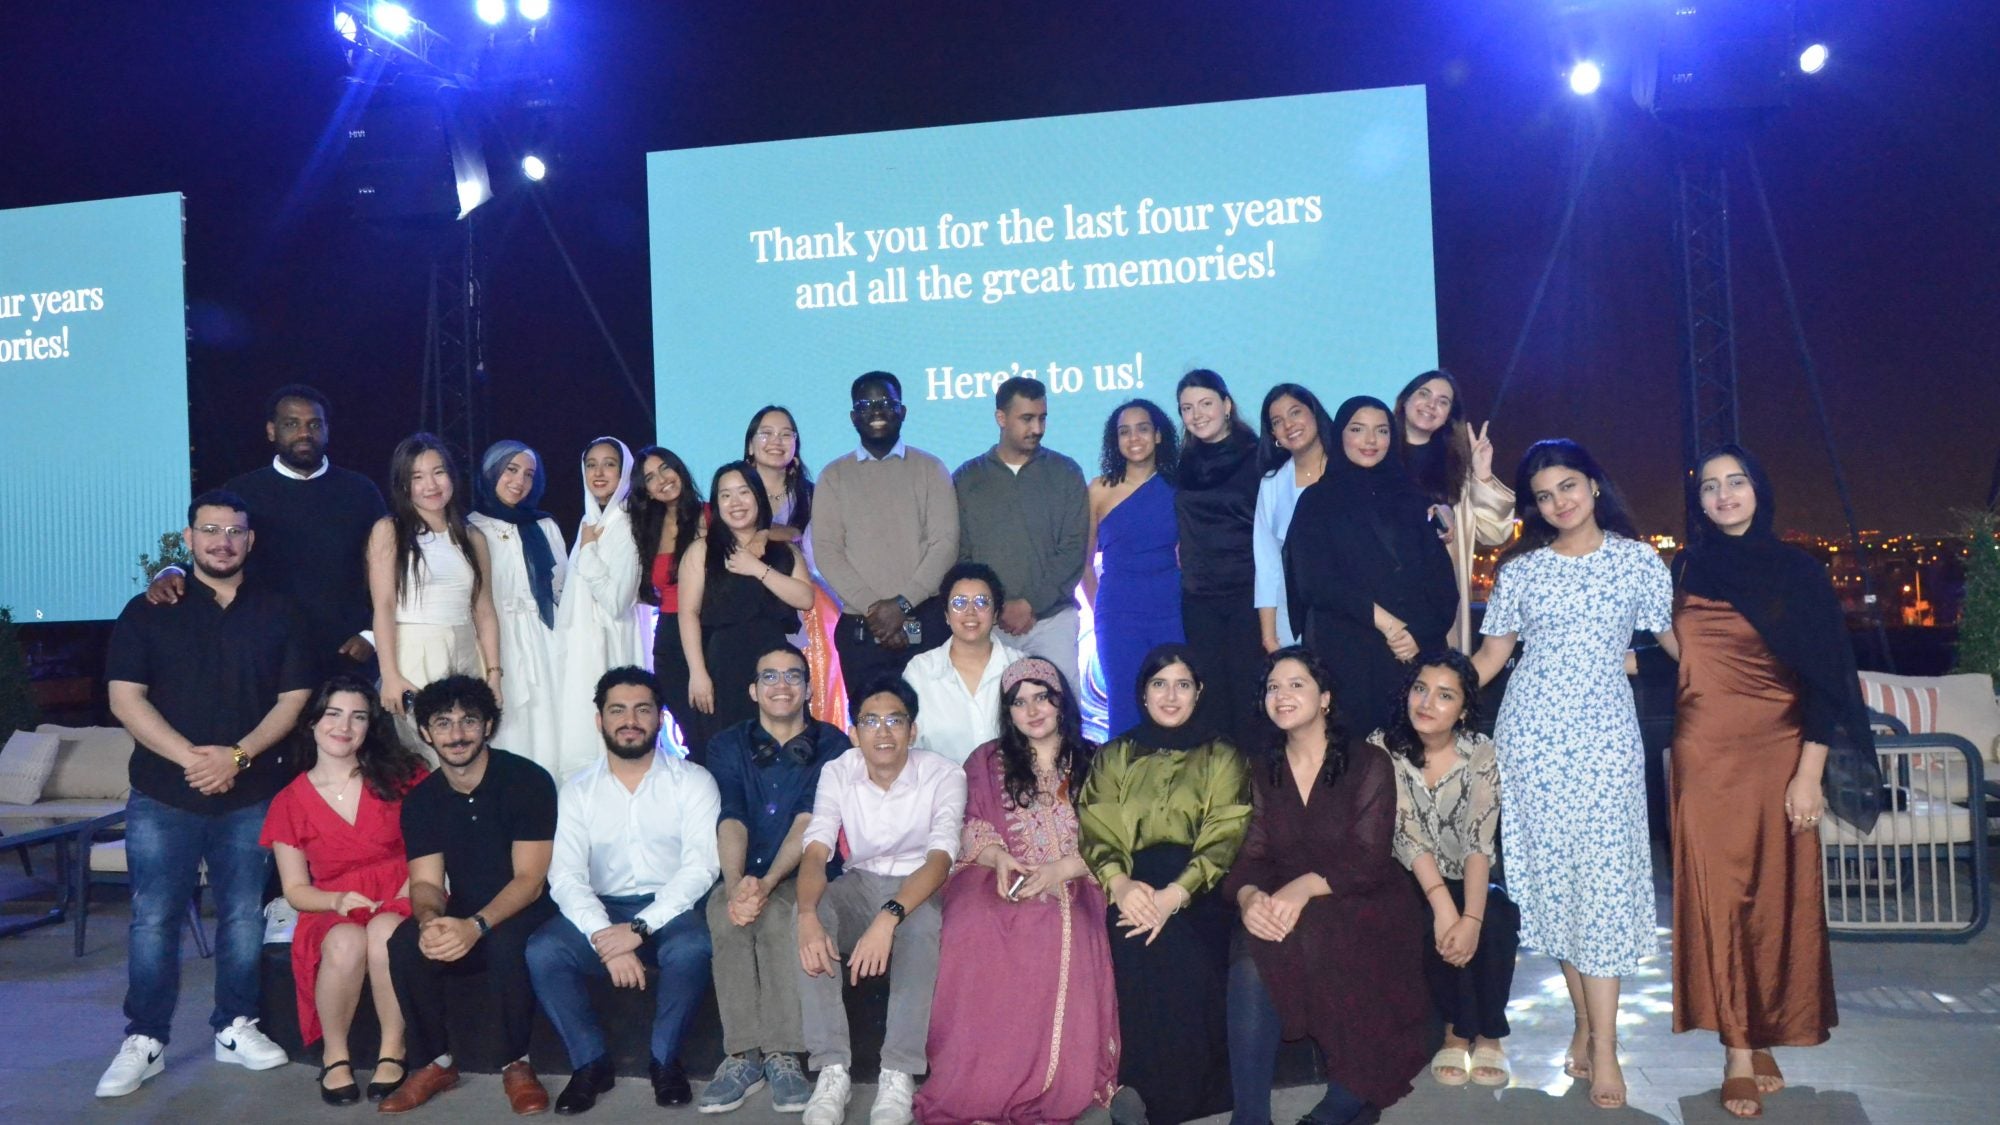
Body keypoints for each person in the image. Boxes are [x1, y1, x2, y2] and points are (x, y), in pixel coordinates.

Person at [1468, 438, 1678, 1111]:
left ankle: (1607, 1047)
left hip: (1608, 744)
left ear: (1593, 484)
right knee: (1556, 886)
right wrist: (1429, 700)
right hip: (1530, 740)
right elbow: (1493, 655)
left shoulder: (1638, 562)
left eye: (1569, 486)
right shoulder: (1522, 571)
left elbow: (1678, 646)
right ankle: (1584, 1021)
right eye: (1545, 494)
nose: (1559, 501)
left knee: (1606, 885)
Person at [1672, 445, 1880, 1119]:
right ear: (1699, 500)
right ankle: (1736, 1048)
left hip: (1781, 747)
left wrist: (1810, 772)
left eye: (1736, 482)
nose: (1724, 495)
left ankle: (1762, 1030)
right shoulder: (1688, 563)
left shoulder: (1798, 569)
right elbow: (1677, 653)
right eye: (1710, 486)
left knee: (1774, 895)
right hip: (1704, 751)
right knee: (1716, 894)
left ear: (1759, 490)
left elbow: (1824, 676)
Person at [97, 490, 313, 1099]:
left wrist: (237, 757)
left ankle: (234, 1026)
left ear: (251, 541)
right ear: (188, 539)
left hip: (251, 794)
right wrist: (193, 759)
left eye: (235, 531)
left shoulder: (280, 610)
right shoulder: (147, 610)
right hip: (163, 793)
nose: (223, 540)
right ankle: (145, 1039)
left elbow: (293, 700)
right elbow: (125, 698)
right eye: (211, 529)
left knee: (244, 916)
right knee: (153, 919)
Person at [914, 658, 1125, 1125]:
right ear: (1007, 712)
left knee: (1045, 923)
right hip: (996, 872)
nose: (1032, 710)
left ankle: (1045, 1081)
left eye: (1042, 696)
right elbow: (970, 826)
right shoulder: (986, 761)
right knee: (974, 923)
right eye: (1018, 701)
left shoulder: (1098, 760)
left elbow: (1116, 837)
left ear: (1060, 701)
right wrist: (997, 858)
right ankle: (979, 1083)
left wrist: (1061, 870)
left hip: (1078, 878)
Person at [1225, 646, 1429, 1124]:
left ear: (1326, 698)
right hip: (1283, 893)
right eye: (1273, 687)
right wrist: (1250, 897)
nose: (1282, 695)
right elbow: (1248, 857)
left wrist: (1299, 890)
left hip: (1365, 897)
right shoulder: (1259, 769)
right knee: (1250, 946)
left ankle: (1341, 1102)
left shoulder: (1368, 762)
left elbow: (1368, 858)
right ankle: (1250, 1116)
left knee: (1327, 932)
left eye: (1297, 684)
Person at [526, 667, 721, 1114]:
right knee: (544, 950)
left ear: (658, 717)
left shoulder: (693, 781)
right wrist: (607, 939)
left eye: (642, 709)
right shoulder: (576, 790)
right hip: (603, 905)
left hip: (672, 907)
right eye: (617, 710)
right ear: (599, 720)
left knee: (692, 947)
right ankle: (590, 1063)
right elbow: (567, 877)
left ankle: (664, 1061)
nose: (629, 720)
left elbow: (700, 869)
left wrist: (638, 928)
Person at [1076, 643, 1249, 1125]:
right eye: (1159, 684)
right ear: (1142, 693)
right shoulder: (1115, 754)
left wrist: (1174, 895)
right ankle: (1136, 1089)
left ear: (1199, 693)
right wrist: (1122, 884)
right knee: (1130, 939)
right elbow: (1096, 825)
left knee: (1176, 946)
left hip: (1200, 888)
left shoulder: (1223, 755)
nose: (1170, 696)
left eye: (1182, 684)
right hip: (1128, 882)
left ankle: (1176, 1099)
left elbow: (1225, 832)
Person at [380, 676, 559, 1115]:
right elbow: (425, 882)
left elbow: (530, 879)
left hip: (529, 907)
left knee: (503, 941)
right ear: (425, 733)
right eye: (443, 723)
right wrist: (428, 922)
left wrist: (474, 926)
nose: (456, 734)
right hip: (463, 906)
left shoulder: (527, 781)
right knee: (405, 942)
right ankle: (434, 1062)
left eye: (468, 721)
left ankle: (516, 1063)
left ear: (489, 726)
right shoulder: (422, 801)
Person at [793, 676, 967, 1125]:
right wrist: (809, 915)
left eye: (895, 720)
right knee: (808, 913)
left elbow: (941, 859)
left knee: (921, 925)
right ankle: (832, 1070)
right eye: (870, 721)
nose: (883, 732)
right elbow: (816, 851)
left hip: (919, 885)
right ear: (854, 732)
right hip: (859, 883)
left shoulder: (945, 774)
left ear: (913, 730)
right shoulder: (839, 770)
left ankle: (898, 1071)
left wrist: (887, 918)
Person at [698, 643, 852, 1115]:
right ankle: (743, 1055)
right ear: (752, 689)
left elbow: (810, 822)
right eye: (769, 676)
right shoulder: (726, 744)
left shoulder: (833, 745)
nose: (781, 685)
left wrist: (764, 887)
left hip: (805, 871)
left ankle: (784, 1054)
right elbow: (732, 816)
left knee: (781, 914)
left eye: (792, 676)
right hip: (742, 867)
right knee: (727, 915)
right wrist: (737, 883)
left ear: (808, 688)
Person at [260, 676, 430, 1104]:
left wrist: (410, 891)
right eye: (333, 714)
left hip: (410, 887)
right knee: (344, 942)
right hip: (332, 904)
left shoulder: (405, 775)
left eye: (358, 717)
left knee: (385, 931)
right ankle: (335, 1056)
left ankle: (394, 1048)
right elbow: (296, 890)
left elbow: (431, 848)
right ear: (313, 722)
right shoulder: (288, 801)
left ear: (370, 726)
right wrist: (336, 900)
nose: (344, 726)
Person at [146, 385, 388, 684]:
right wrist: (172, 569)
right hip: (266, 655)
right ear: (271, 431)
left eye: (314, 424)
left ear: (327, 430)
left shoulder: (361, 492)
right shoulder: (242, 492)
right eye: (291, 424)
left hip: (348, 655)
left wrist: (372, 635)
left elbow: (390, 569)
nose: (304, 433)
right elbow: (216, 556)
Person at [1380, 652, 1518, 1089]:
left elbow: (1480, 841)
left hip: (1466, 871)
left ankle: (1491, 1032)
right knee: (1430, 919)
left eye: (1444, 696)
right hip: (1407, 876)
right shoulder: (1382, 748)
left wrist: (1471, 919)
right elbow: (1405, 835)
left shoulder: (1481, 752)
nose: (1426, 703)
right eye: (1420, 689)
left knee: (1494, 916)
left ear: (1463, 710)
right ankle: (1457, 1032)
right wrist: (1445, 909)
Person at [1285, 396, 1458, 736]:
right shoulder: (1318, 501)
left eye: (1381, 431)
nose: (1370, 441)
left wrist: (1416, 636)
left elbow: (1440, 584)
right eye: (1358, 429)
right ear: (1339, 436)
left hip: (1410, 654)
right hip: (1346, 653)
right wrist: (1388, 624)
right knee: (1354, 764)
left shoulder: (1415, 499)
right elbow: (1314, 581)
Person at [806, 372, 960, 690]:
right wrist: (878, 612)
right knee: (871, 727)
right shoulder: (834, 476)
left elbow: (945, 545)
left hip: (925, 623)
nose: (877, 411)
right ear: (853, 416)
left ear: (902, 411)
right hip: (862, 629)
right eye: (866, 404)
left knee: (935, 727)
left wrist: (902, 605)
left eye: (886, 403)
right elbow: (827, 550)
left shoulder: (931, 469)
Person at [953, 376, 1091, 690]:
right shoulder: (967, 478)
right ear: (1001, 418)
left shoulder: (1066, 472)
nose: (1037, 428)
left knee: (1061, 713)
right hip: (989, 624)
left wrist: (1030, 604)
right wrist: (997, 607)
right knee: (991, 719)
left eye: (1042, 418)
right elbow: (961, 554)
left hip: (1053, 621)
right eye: (1027, 419)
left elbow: (1073, 549)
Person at [368, 434, 503, 755]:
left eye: (438, 472)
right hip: (414, 652)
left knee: (466, 750)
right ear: (404, 484)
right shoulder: (390, 530)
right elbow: (384, 606)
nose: (431, 484)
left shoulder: (473, 536)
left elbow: (484, 610)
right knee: (425, 752)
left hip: (467, 652)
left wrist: (494, 675)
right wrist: (389, 674)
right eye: (417, 477)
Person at [678, 460, 817, 758]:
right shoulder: (702, 550)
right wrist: (697, 672)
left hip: (775, 662)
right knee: (726, 749)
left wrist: (757, 568)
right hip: (722, 662)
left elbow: (805, 598)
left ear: (758, 496)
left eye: (743, 492)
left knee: (781, 744)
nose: (735, 503)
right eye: (725, 495)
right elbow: (688, 613)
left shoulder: (784, 550)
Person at [1172, 370, 1265, 748]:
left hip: (1248, 594)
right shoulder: (1183, 463)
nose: (1196, 415)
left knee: (1250, 698)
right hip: (1198, 597)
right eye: (1186, 408)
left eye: (1205, 404)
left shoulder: (1258, 456)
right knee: (1211, 702)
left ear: (1226, 405)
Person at [1393, 370, 1518, 653]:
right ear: (1404, 400)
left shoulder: (1457, 472)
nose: (1431, 405)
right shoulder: (1376, 458)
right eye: (1423, 394)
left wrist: (1482, 473)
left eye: (1443, 401)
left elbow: (1494, 533)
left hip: (1437, 607)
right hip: (1383, 600)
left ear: (1449, 414)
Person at [1085, 399, 1184, 740]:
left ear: (1158, 435)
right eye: (1124, 431)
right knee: (1126, 706)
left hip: (1172, 610)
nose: (1134, 438)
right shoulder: (1099, 490)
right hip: (1119, 614)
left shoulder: (1178, 488)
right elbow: (1084, 564)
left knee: (1175, 704)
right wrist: (1105, 608)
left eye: (1142, 428)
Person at [743, 405, 848, 723]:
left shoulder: (814, 495)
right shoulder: (734, 492)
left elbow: (818, 551)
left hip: (811, 612)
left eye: (786, 434)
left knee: (815, 693)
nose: (777, 441)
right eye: (767, 433)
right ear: (750, 445)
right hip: (747, 610)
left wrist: (776, 534)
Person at [470, 440, 568, 770]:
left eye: (529, 474)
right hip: (495, 643)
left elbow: (561, 591)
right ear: (491, 471)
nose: (519, 481)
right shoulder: (470, 527)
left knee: (550, 726)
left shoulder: (544, 526)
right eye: (511, 470)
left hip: (544, 642)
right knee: (505, 726)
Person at [553, 437, 644, 778]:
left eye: (609, 464)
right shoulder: (590, 522)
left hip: (609, 646)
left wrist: (589, 553)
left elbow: (616, 601)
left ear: (624, 472)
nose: (599, 472)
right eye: (591, 464)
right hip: (583, 646)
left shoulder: (627, 524)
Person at [902, 562, 1025, 764]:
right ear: (946, 615)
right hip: (940, 791)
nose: (970, 611)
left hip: (1010, 791)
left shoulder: (1020, 666)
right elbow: (907, 746)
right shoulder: (920, 671)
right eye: (959, 603)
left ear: (995, 614)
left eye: (981, 602)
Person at [631, 445, 706, 748]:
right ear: (645, 490)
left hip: (709, 629)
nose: (661, 480)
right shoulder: (646, 529)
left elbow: (773, 529)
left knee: (715, 726)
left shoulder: (712, 514)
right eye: (650, 478)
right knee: (690, 731)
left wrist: (763, 536)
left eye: (665, 468)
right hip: (669, 638)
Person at [1252, 384, 1334, 653]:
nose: (1289, 425)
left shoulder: (1348, 470)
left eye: (1295, 412)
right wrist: (1269, 637)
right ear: (1273, 434)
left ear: (1313, 413)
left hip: (1352, 615)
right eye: (1277, 422)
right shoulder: (1272, 484)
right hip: (1292, 621)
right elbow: (1267, 565)